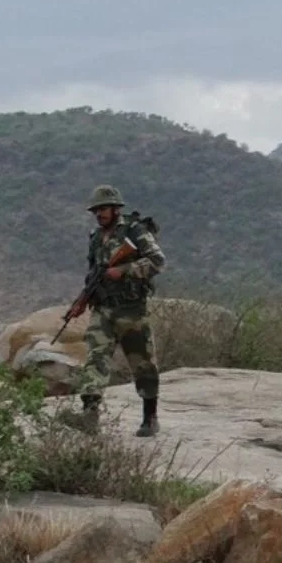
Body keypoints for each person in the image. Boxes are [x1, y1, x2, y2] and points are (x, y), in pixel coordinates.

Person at [70, 185, 167, 436]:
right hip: (103, 309)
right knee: (95, 358)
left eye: (103, 209)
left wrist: (124, 271)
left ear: (116, 209)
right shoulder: (95, 238)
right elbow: (94, 274)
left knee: (143, 363)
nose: (99, 214)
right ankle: (90, 415)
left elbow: (158, 261)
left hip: (131, 309)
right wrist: (82, 300)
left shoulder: (135, 231)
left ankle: (150, 418)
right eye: (96, 210)